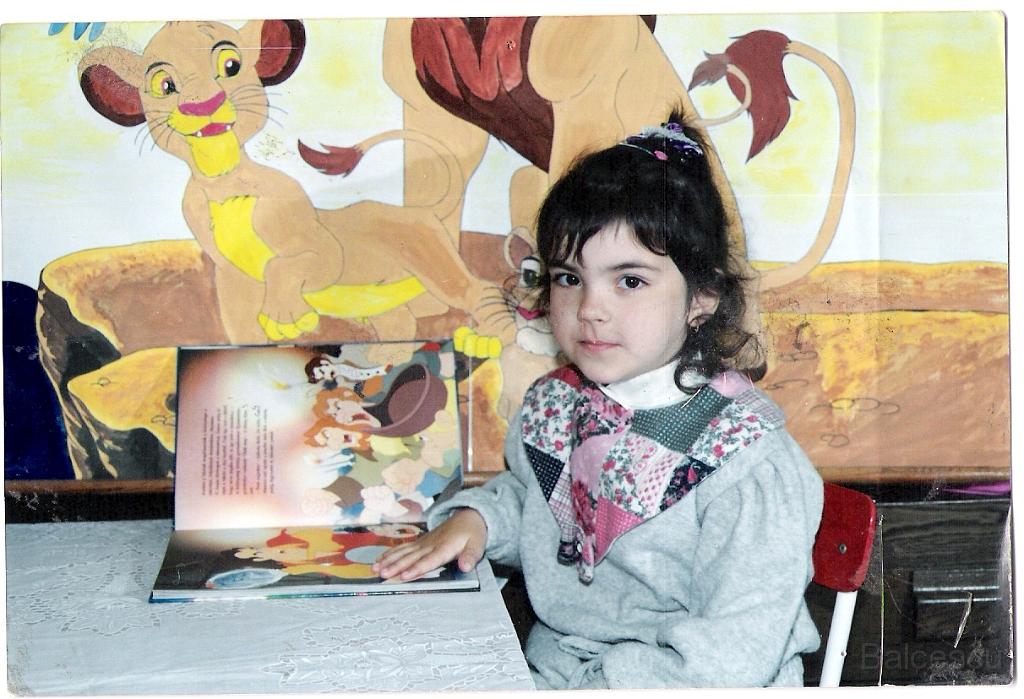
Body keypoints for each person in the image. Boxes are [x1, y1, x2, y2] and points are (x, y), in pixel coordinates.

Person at [372, 111, 824, 689]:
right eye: (569, 278)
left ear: (703, 296)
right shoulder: (558, 405)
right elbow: (534, 497)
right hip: (559, 671)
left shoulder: (746, 460)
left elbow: (729, 659)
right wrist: (480, 519)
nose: (590, 308)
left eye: (629, 281)